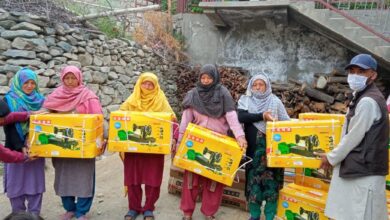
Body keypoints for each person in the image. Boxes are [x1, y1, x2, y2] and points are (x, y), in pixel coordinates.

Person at [317, 54, 389, 219]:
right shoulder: (362, 96)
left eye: (361, 72)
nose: (355, 76)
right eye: (353, 71)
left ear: (373, 75)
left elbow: (353, 137)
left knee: (360, 213)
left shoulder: (368, 102)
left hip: (363, 168)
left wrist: (330, 158)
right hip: (360, 166)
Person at [174, 64, 247, 220]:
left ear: (215, 78)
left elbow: (232, 118)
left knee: (214, 180)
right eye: (203, 77)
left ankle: (209, 212)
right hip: (197, 143)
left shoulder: (223, 94)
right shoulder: (193, 95)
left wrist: (240, 136)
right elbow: (185, 121)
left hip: (218, 145)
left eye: (209, 78)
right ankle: (187, 212)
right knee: (191, 179)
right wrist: (180, 142)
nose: (206, 80)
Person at [42, 65, 103, 220]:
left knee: (84, 178)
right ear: (62, 79)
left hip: (83, 148)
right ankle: (69, 209)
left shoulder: (88, 96)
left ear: (79, 79)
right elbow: (45, 116)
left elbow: (98, 120)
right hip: (61, 146)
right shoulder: (55, 96)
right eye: (67, 78)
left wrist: (102, 140)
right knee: (64, 178)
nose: (70, 82)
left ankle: (82, 211)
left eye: (73, 78)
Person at [120, 72, 178, 220]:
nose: (147, 86)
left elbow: (173, 121)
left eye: (151, 84)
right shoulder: (132, 100)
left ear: (155, 86)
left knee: (153, 178)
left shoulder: (161, 101)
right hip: (134, 149)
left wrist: (173, 138)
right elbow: (119, 119)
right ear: (139, 84)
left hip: (154, 150)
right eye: (145, 83)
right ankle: (134, 208)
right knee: (133, 178)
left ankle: (148, 208)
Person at [237, 73, 290, 220]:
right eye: (255, 85)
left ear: (267, 86)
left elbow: (287, 123)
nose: (258, 87)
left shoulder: (275, 102)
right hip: (254, 153)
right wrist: (262, 116)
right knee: (254, 185)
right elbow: (241, 117)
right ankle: (254, 215)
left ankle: (269, 215)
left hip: (273, 153)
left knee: (271, 185)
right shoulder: (246, 100)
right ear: (251, 86)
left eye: (261, 85)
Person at [3, 68, 45, 216]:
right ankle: (18, 215)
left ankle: (34, 215)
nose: (29, 86)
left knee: (35, 184)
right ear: (18, 83)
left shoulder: (40, 100)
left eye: (33, 83)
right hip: (14, 148)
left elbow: (45, 124)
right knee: (16, 185)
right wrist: (20, 146)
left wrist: (31, 141)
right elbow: (9, 125)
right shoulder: (9, 99)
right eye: (26, 82)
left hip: (36, 147)